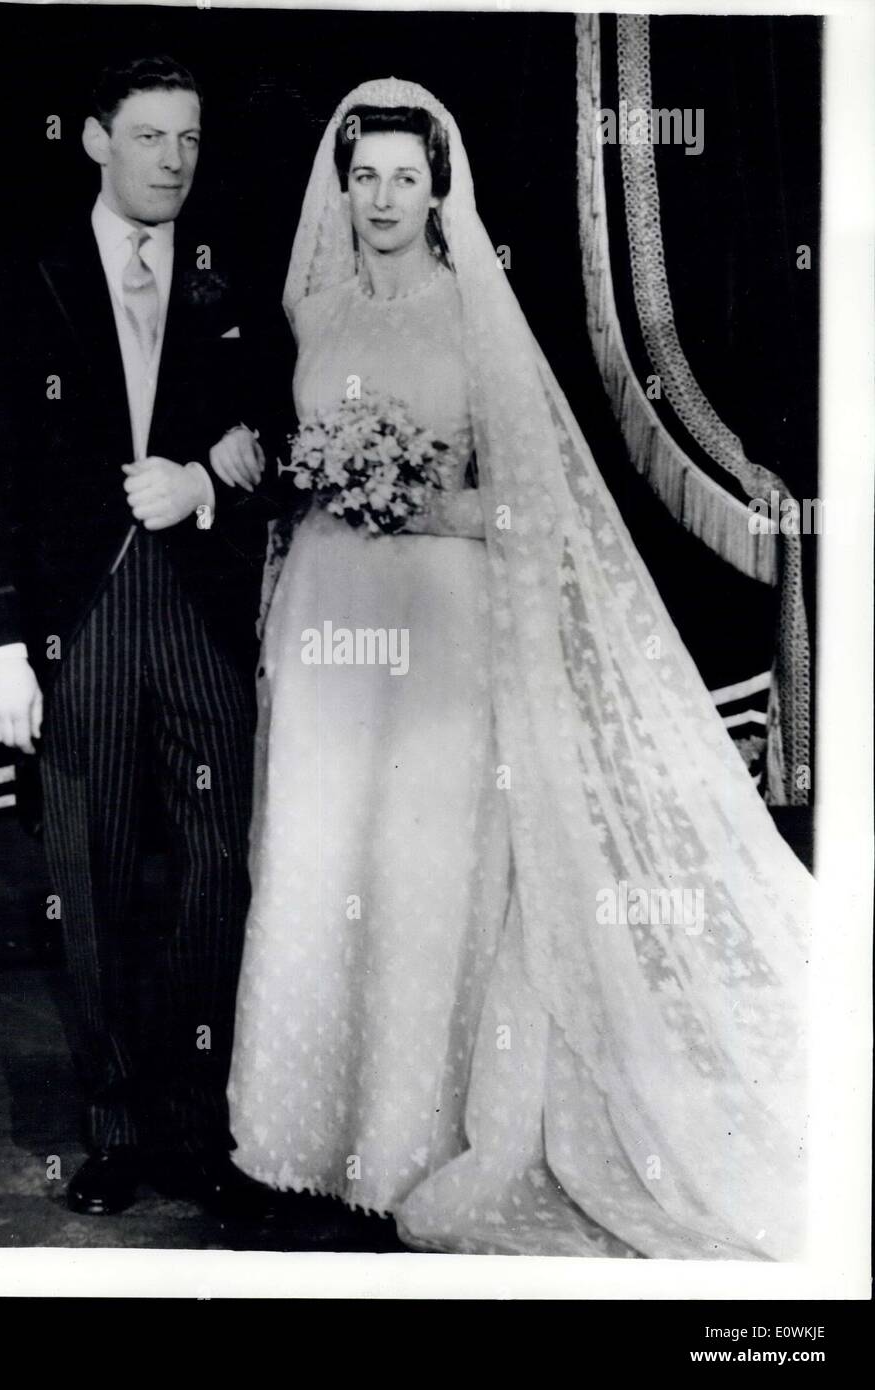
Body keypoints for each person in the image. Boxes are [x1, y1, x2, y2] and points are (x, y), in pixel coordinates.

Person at [222, 78, 811, 1258]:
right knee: (313, 858)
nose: (384, 197)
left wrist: (430, 502)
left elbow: (531, 507)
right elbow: (290, 468)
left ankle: (397, 1149)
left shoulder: (469, 316)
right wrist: (291, 475)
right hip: (328, 620)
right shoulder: (315, 310)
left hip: (438, 638)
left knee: (417, 876)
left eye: (406, 176)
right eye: (367, 175)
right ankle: (284, 1145)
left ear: (441, 191)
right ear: (341, 187)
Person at [0, 55, 279, 1216]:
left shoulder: (227, 271)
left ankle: (199, 1131)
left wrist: (199, 480)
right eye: (149, 138)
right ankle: (114, 1131)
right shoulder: (23, 276)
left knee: (218, 868)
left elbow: (278, 430)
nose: (174, 161)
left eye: (188, 139)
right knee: (84, 875)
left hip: (195, 609)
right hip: (73, 621)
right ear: (96, 142)